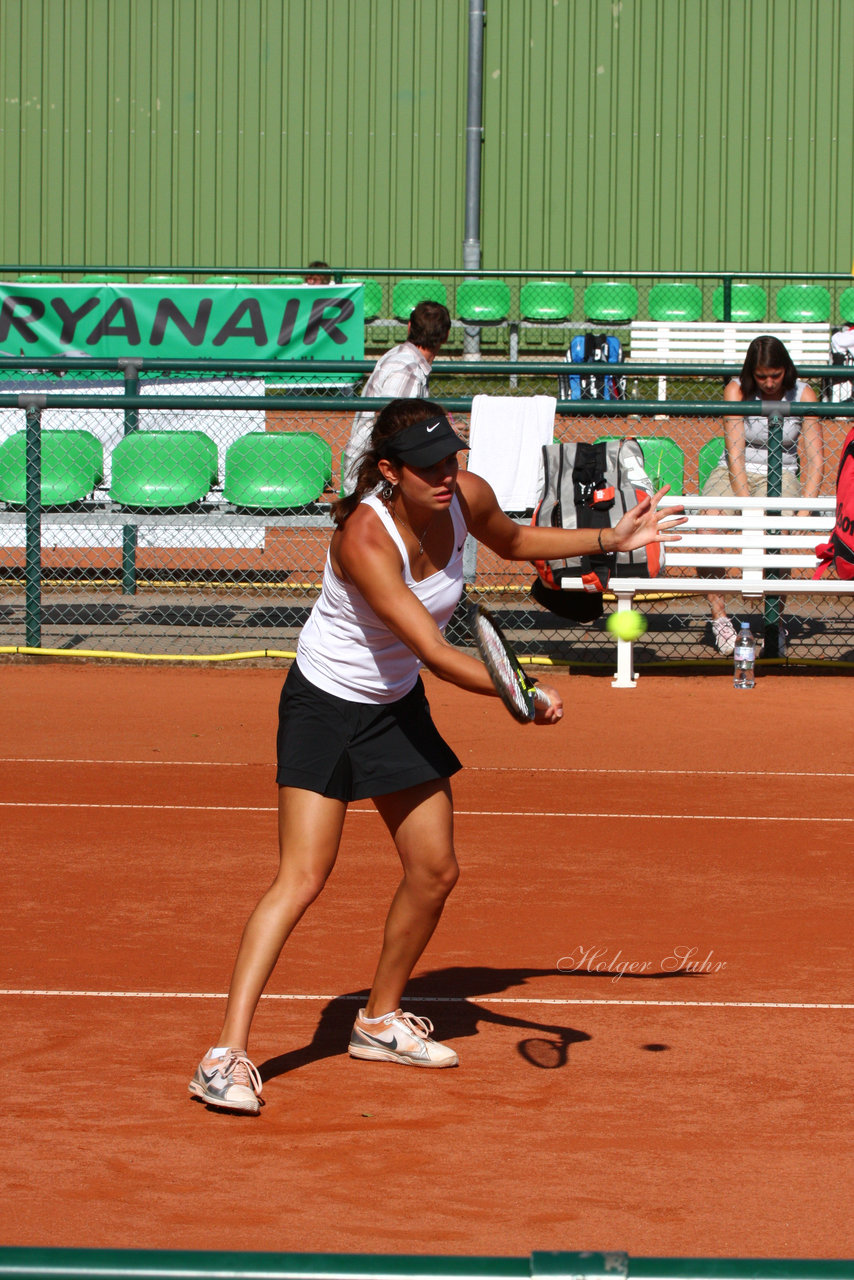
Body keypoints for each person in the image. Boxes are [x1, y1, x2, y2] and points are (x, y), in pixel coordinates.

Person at [189, 396, 686, 1115]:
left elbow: (514, 544)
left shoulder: (465, 496)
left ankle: (378, 1020)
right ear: (390, 471)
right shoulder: (365, 536)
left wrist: (610, 541)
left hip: (394, 707)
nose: (446, 476)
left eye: (451, 459)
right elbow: (430, 648)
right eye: (428, 467)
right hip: (327, 707)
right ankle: (224, 1055)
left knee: (434, 869)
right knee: (301, 877)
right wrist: (520, 692)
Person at [702, 334, 824, 654]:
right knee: (706, 529)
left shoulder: (803, 394)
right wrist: (750, 509)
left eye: (776, 375)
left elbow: (815, 459)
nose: (769, 383)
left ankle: (773, 622)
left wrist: (804, 510)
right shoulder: (736, 391)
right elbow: (735, 454)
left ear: (786, 370)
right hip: (734, 472)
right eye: (761, 377)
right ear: (750, 374)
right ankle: (721, 620)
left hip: (782, 472)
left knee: (779, 536)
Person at [342, 300, 451, 494]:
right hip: (375, 477)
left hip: (376, 471)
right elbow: (391, 432)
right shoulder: (407, 371)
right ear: (446, 336)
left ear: (410, 327)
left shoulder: (403, 358)